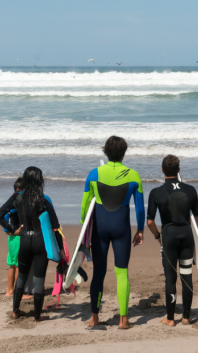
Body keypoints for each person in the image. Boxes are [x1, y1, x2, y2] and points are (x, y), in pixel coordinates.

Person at [81, 136, 145, 329]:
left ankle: (94, 318)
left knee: (99, 273)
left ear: (105, 152)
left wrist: (85, 233)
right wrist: (140, 230)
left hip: (99, 229)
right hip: (121, 229)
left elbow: (85, 208)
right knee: (122, 272)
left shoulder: (94, 174)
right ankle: (123, 320)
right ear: (124, 153)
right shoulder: (134, 175)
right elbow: (140, 209)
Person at [0, 166, 63, 320]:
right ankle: (38, 315)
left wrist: (12, 230)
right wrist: (60, 248)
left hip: (24, 241)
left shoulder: (17, 198)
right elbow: (55, 227)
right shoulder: (43, 200)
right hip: (40, 244)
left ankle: (15, 311)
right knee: (39, 279)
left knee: (22, 278)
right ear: (39, 181)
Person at [146, 154, 198, 326]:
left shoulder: (156, 193)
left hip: (168, 238)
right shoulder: (190, 190)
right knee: (186, 276)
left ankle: (170, 319)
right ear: (178, 170)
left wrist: (158, 236)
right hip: (186, 237)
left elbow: (149, 221)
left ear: (162, 170)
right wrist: (194, 234)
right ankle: (186, 317)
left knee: (170, 279)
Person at [0, 176, 24, 297]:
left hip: (11, 238)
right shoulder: (17, 204)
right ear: (18, 189)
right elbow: (1, 217)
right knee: (18, 265)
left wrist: (8, 230)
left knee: (12, 265)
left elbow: (4, 218)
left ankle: (10, 290)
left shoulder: (11, 207)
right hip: (17, 238)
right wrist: (14, 231)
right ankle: (18, 292)